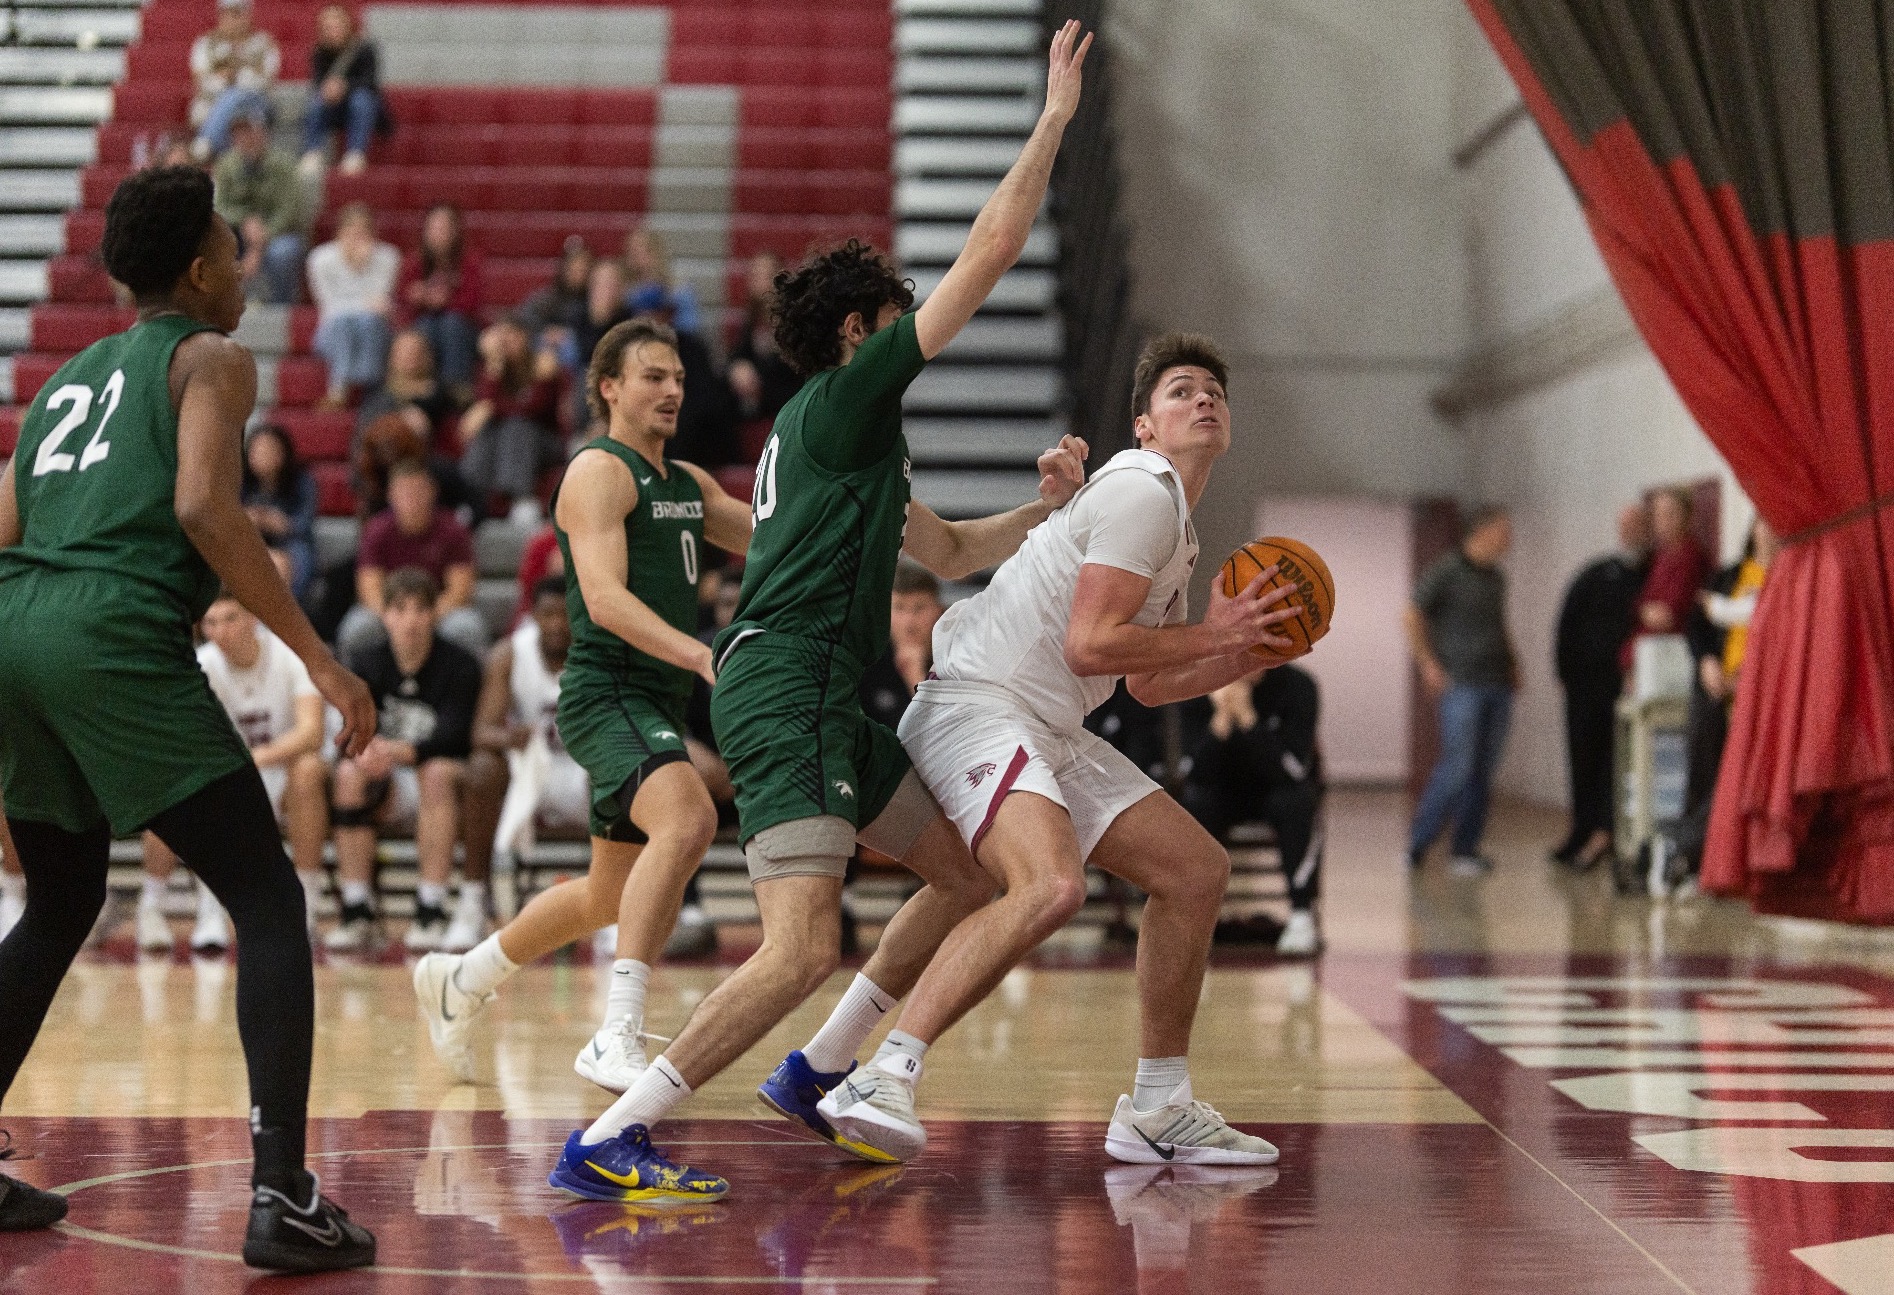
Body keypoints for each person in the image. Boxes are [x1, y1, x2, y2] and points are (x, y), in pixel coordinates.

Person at [540, 22, 1095, 1204]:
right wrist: (1049, 122)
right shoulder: (842, 399)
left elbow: (944, 550)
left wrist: (1048, 511)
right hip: (785, 680)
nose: (910, 328)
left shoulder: (853, 447)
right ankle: (611, 1137)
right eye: (895, 313)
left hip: (830, 694)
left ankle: (815, 1071)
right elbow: (991, 252)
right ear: (861, 330)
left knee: (962, 877)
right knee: (800, 944)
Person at [0, 165, 375, 1267]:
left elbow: (9, 515)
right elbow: (204, 504)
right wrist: (319, 659)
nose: (246, 263)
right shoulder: (210, 356)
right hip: (109, 629)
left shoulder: (64, 382)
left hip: (16, 623)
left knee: (62, 896)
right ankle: (282, 1193)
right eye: (233, 244)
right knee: (264, 891)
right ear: (202, 268)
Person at [816, 332, 1297, 1165]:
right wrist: (1210, 633)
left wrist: (1239, 653)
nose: (1205, 398)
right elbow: (1091, 644)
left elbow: (1143, 683)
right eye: (1181, 390)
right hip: (979, 703)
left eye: (1215, 389)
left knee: (1195, 871)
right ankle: (880, 1072)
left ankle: (1158, 1106)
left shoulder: (1175, 524)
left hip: (1045, 723)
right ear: (1144, 426)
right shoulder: (1143, 489)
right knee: (1049, 884)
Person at [414, 318, 755, 1094]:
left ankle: (460, 978)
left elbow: (775, 537)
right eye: (652, 376)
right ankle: (617, 1031)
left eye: (677, 377)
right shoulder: (599, 470)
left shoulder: (688, 484)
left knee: (608, 894)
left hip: (652, 696)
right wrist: (702, 651)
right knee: (690, 815)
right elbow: (601, 600)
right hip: (608, 694)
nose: (671, 389)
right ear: (608, 387)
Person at [139, 591, 330, 951]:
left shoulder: (289, 655)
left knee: (308, 770)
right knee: (176, 784)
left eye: (230, 619)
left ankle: (306, 907)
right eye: (210, 623)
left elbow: (312, 732)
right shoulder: (201, 663)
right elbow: (189, 740)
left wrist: (257, 758)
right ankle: (165, 908)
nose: (220, 631)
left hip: (280, 770)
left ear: (253, 619)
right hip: (231, 772)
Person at [325, 568, 481, 953]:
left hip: (444, 786)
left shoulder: (460, 665)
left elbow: (455, 736)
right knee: (347, 775)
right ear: (385, 615)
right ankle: (356, 907)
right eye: (400, 609)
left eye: (419, 610)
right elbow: (347, 731)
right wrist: (368, 754)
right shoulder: (364, 662)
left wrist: (389, 750)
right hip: (387, 783)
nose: (410, 620)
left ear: (434, 614)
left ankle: (430, 907)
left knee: (436, 772)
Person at [454, 577, 583, 954]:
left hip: (582, 771)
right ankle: (472, 902)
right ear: (532, 617)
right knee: (480, 770)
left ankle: (614, 910)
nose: (557, 624)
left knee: (622, 773)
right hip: (528, 775)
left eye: (565, 614)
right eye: (547, 614)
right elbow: (481, 733)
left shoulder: (596, 651)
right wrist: (510, 737)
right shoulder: (510, 654)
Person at [1404, 505, 1519, 877]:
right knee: (1458, 765)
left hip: (1497, 681)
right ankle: (1417, 844)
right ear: (1482, 531)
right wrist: (1427, 662)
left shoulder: (1496, 578)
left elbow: (1497, 624)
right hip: (1462, 684)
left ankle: (1465, 850)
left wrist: (1513, 660)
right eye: (1503, 530)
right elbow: (1411, 614)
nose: (1509, 538)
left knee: (1483, 771)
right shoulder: (1448, 571)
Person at [1183, 664, 1323, 956]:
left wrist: (1248, 719)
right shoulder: (1197, 683)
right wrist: (1221, 720)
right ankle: (1195, 919)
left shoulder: (1299, 687)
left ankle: (1301, 914)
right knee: (1193, 803)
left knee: (1298, 801)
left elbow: (1293, 771)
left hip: (1273, 789)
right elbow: (1193, 772)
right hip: (1222, 792)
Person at [1671, 518, 1777, 871]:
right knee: (1706, 773)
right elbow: (1699, 623)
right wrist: (1707, 661)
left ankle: (1728, 858)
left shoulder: (1787, 581)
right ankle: (1692, 856)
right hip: (1718, 694)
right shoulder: (1731, 576)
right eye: (1763, 523)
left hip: (1761, 698)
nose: (1768, 531)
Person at [1551, 502, 1650, 870]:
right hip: (1583, 686)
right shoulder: (1595, 575)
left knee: (1616, 761)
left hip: (1622, 685)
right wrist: (1563, 672)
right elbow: (1567, 621)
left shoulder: (1650, 577)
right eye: (1625, 526)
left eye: (1637, 526)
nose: (1631, 533)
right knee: (1583, 758)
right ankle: (1581, 828)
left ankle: (1606, 833)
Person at [336, 458, 485, 661]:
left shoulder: (453, 530)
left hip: (437, 610)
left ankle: (464, 690)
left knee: (466, 628)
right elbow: (369, 590)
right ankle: (352, 691)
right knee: (357, 629)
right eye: (404, 492)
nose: (412, 498)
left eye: (418, 491)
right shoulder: (376, 530)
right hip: (390, 610)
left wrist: (422, 617)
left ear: (433, 492)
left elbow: (460, 590)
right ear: (391, 495)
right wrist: (398, 617)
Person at [459, 315, 564, 523]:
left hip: (545, 442)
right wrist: (494, 367)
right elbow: (485, 402)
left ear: (526, 337)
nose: (506, 342)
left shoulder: (543, 364)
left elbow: (534, 408)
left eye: (512, 335)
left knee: (517, 425)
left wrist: (493, 406)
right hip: (506, 443)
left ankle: (520, 498)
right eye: (501, 337)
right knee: (489, 431)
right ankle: (472, 497)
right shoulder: (492, 368)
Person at [306, 203, 399, 409]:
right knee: (344, 323)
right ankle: (342, 389)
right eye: (351, 230)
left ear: (373, 234)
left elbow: (381, 304)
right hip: (332, 332)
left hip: (373, 329)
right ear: (339, 233)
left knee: (369, 322)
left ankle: (357, 388)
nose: (357, 237)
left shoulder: (388, 257)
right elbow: (330, 306)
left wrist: (362, 266)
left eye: (363, 231)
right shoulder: (320, 259)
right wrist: (365, 302)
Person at [212, 106, 308, 305]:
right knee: (213, 249)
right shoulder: (226, 165)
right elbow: (219, 206)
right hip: (237, 232)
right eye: (239, 132)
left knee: (282, 253)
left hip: (279, 233)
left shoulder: (284, 165)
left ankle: (281, 307)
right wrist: (245, 220)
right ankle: (221, 307)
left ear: (263, 133)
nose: (245, 138)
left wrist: (261, 237)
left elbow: (290, 210)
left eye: (250, 131)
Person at [398, 204, 483, 395]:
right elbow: (401, 303)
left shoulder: (469, 261)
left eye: (444, 228)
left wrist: (445, 301)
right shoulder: (414, 262)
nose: (438, 234)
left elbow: (473, 303)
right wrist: (417, 298)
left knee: (450, 323)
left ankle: (455, 388)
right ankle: (423, 388)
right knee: (425, 326)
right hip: (424, 323)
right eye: (434, 228)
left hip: (461, 328)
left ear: (455, 232)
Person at [1623, 487, 1710, 667]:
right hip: (1644, 654)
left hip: (1668, 656)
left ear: (1686, 517)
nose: (1663, 522)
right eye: (1658, 515)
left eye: (1670, 514)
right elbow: (1641, 606)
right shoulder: (1658, 557)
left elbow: (1666, 616)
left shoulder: (1690, 557)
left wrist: (1641, 611)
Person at [299, 3, 384, 177]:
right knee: (317, 101)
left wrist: (345, 87)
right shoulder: (320, 52)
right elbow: (317, 82)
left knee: (361, 99)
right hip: (333, 104)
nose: (333, 31)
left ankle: (356, 153)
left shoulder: (364, 48)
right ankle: (313, 152)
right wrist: (328, 89)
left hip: (360, 102)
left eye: (337, 25)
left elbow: (371, 82)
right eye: (328, 27)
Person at [189, 0, 279, 161]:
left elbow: (267, 82)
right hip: (213, 99)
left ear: (248, 16)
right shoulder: (205, 43)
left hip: (255, 100)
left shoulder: (264, 43)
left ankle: (207, 142)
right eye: (228, 14)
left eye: (238, 14)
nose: (234, 20)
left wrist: (237, 78)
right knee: (228, 99)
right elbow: (201, 82)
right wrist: (223, 81)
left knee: (236, 95)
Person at [861, 559, 944, 733]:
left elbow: (946, 730)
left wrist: (916, 676)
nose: (909, 622)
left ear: (938, 610)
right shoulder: (867, 658)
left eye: (919, 608)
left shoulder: (955, 657)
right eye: (899, 608)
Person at [241, 423, 317, 597]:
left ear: (283, 452)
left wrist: (281, 523)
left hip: (290, 541)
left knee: (298, 555)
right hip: (249, 539)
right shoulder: (241, 480)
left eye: (269, 450)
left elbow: (305, 523)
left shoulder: (302, 480)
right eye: (258, 451)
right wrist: (248, 519)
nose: (263, 456)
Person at [727, 251, 803, 424]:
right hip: (754, 400)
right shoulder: (751, 320)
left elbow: (794, 377)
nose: (757, 281)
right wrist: (737, 368)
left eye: (764, 275)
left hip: (785, 402)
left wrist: (759, 384)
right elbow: (738, 354)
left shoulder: (794, 322)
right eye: (754, 274)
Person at [623, 225, 700, 337]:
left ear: (655, 253)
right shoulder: (627, 290)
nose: (634, 256)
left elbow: (689, 326)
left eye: (640, 251)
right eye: (631, 251)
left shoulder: (678, 288)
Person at [519, 236, 594, 342]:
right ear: (564, 269)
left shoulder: (595, 301)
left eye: (583, 268)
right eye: (574, 268)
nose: (579, 273)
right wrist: (546, 332)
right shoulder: (547, 298)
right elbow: (524, 319)